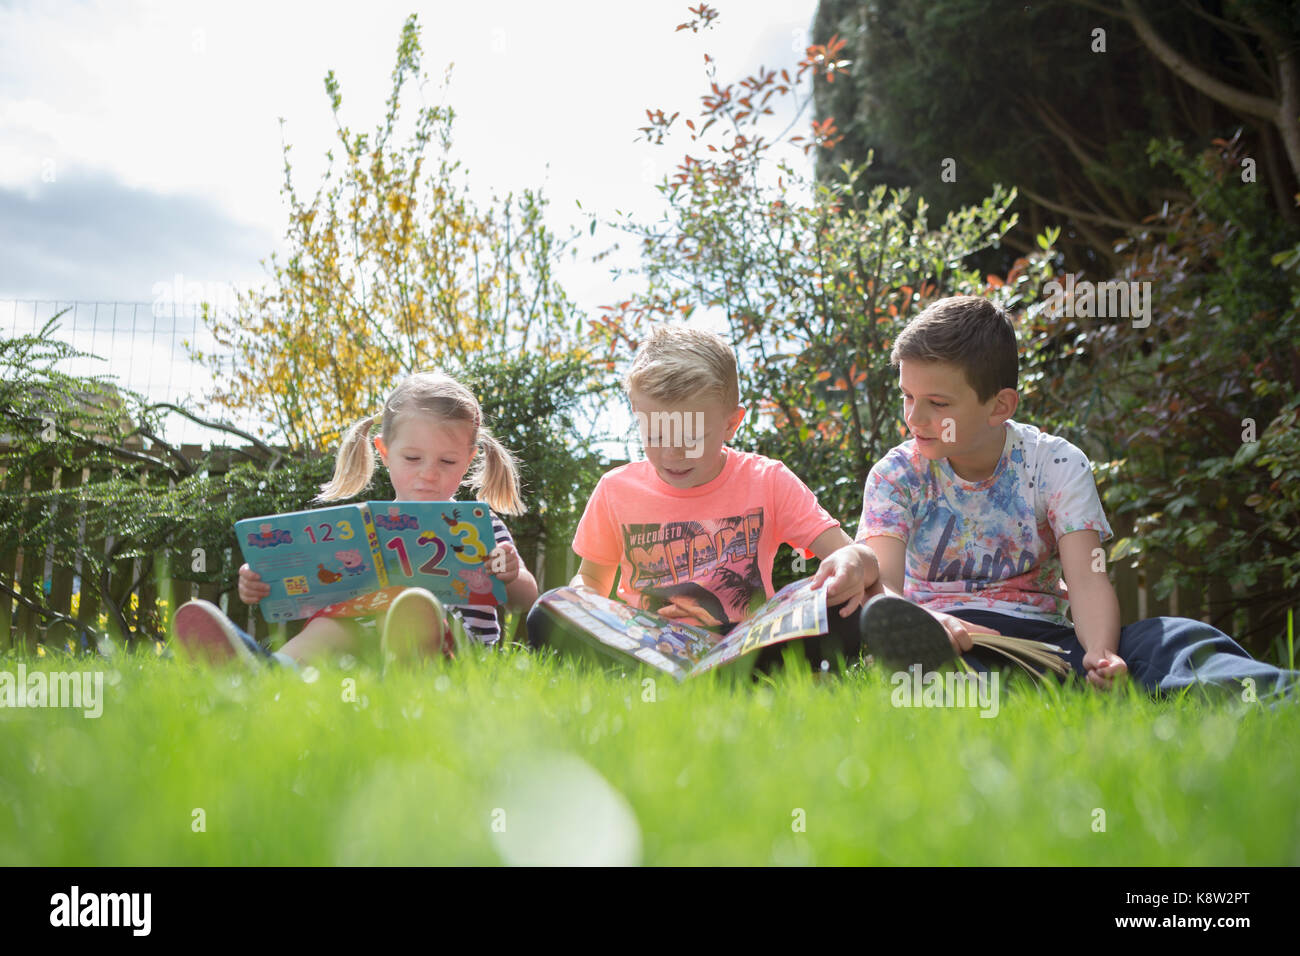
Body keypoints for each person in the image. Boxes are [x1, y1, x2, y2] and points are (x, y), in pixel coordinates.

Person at [857, 294, 1298, 700]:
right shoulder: (896, 476)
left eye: (937, 402)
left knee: (1176, 637)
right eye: (907, 396)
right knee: (942, 674)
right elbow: (883, 588)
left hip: (1044, 642)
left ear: (999, 406)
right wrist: (927, 625)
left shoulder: (1056, 464)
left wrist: (1102, 654)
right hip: (945, 641)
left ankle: (1277, 696)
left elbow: (1087, 578)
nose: (915, 417)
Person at [527, 324, 955, 672]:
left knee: (839, 602)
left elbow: (858, 559)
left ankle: (758, 673)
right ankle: (643, 670)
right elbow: (590, 585)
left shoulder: (766, 480)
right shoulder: (616, 490)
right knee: (551, 609)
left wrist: (848, 566)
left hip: (748, 647)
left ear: (732, 423)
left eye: (692, 437)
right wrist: (584, 605)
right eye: (655, 435)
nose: (673, 452)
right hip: (648, 650)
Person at [172, 369, 539, 670]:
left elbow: (526, 597)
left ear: (470, 458)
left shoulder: (478, 523)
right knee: (339, 619)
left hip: (459, 655)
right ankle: (272, 671)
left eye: (447, 462)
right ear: (384, 452)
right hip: (372, 652)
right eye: (413, 458)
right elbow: (313, 585)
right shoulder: (363, 528)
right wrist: (263, 580)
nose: (429, 474)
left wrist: (508, 571)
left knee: (412, 606)